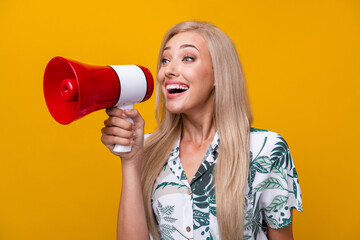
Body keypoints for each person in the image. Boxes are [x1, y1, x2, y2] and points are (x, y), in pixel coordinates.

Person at [101, 21, 303, 240]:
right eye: (165, 60)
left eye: (188, 58)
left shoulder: (266, 150)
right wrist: (131, 161)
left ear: (218, 74)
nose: (168, 70)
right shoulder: (146, 149)